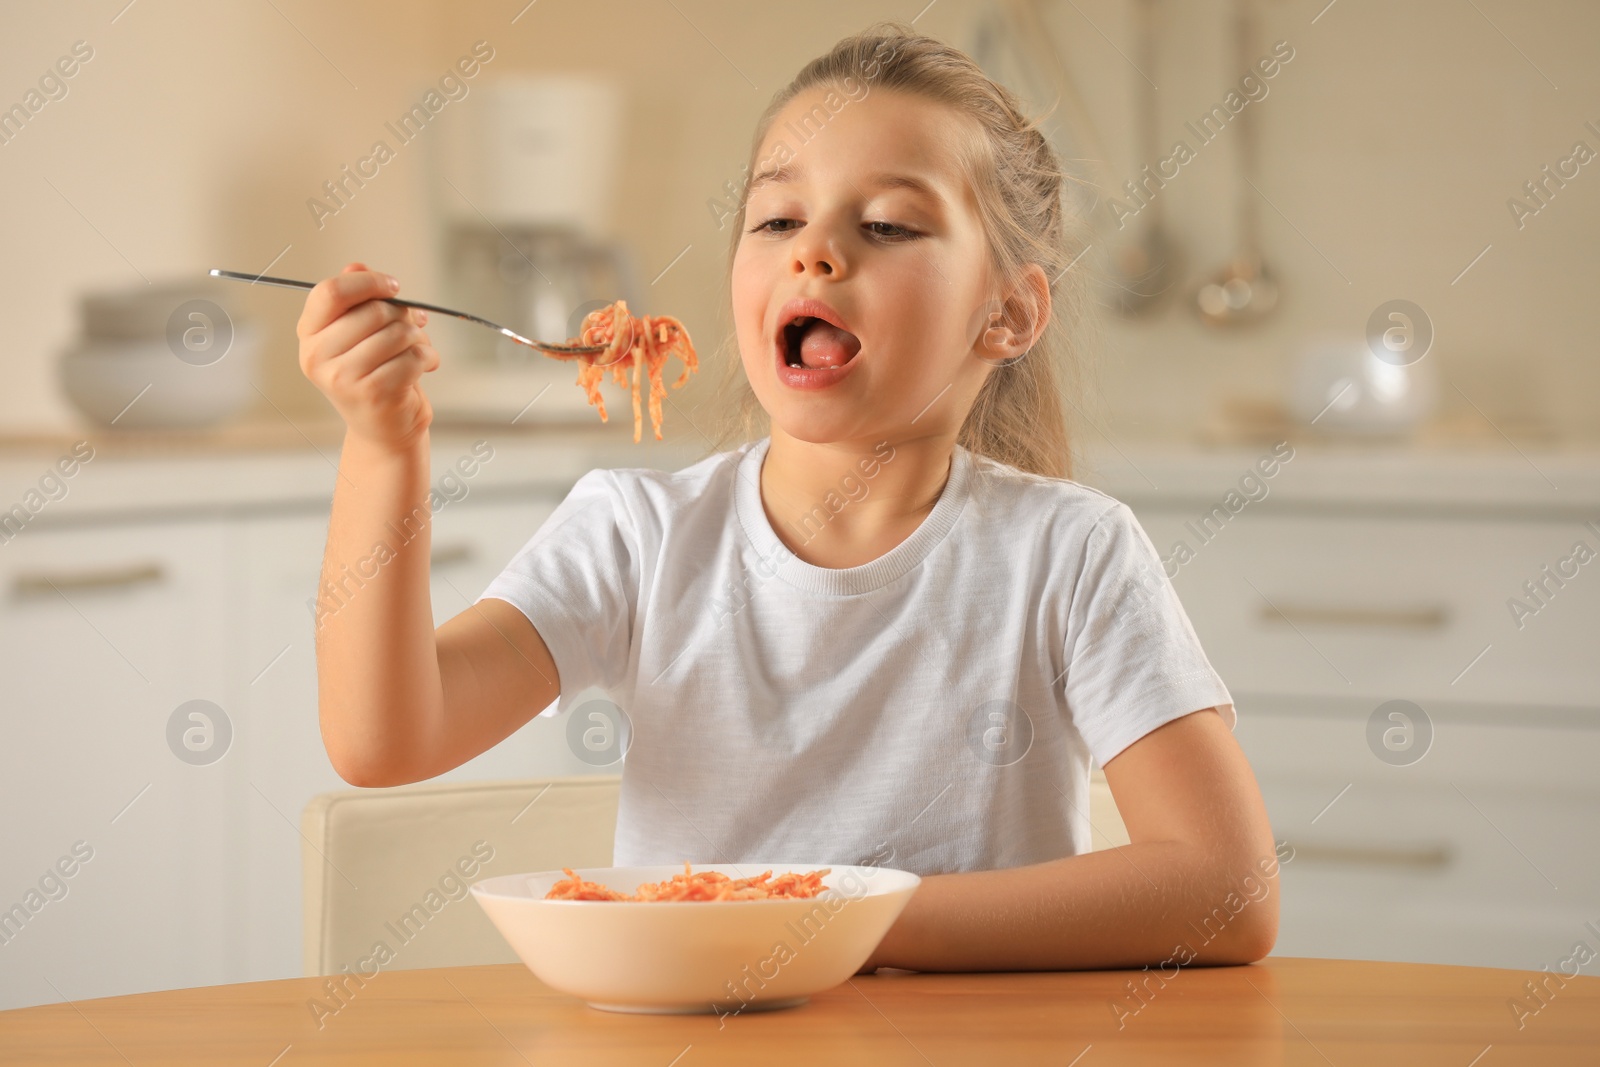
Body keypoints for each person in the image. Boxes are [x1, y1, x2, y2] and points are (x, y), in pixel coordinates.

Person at [295, 23, 1278, 973]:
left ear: (1008, 311)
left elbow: (1227, 886)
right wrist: (383, 449)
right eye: (776, 219)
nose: (813, 252)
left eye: (886, 224)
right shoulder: (636, 538)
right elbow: (384, 737)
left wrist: (848, 923)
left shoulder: (1069, 551)